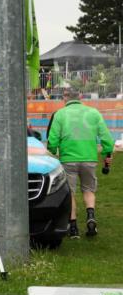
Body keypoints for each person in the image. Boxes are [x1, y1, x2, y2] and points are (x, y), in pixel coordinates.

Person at [47, 87, 113, 238]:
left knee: (70, 192)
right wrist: (106, 153)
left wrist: (54, 149)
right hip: (89, 158)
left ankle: (73, 228)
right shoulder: (94, 113)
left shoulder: (60, 114)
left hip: (68, 159)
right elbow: (107, 139)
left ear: (65, 98)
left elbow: (52, 140)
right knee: (89, 190)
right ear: (81, 96)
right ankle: (90, 216)